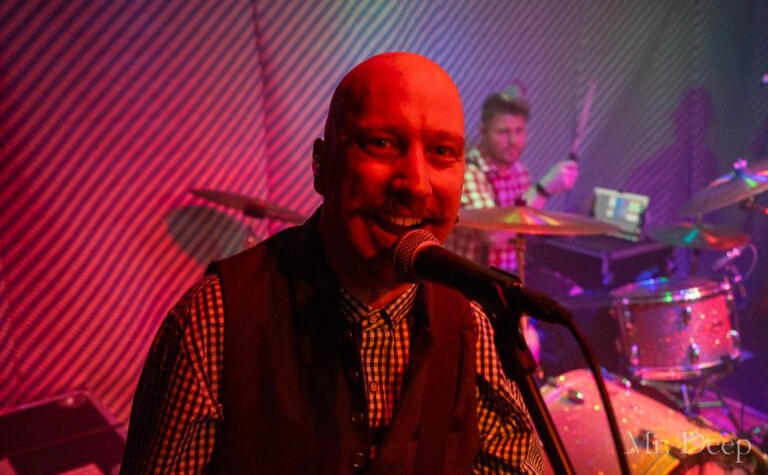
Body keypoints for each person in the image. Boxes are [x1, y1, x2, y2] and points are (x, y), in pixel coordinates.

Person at [121, 53, 543, 474]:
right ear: (321, 165)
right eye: (382, 143)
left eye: (441, 151)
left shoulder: (473, 324)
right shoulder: (215, 322)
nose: (416, 184)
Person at [445, 90, 579, 360]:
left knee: (577, 301)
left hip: (510, 276)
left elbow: (521, 226)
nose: (513, 141)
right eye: (504, 132)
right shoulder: (468, 173)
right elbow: (493, 235)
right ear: (482, 131)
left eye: (519, 131)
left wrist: (559, 229)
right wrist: (543, 189)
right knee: (526, 345)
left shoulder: (518, 170)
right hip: (472, 286)